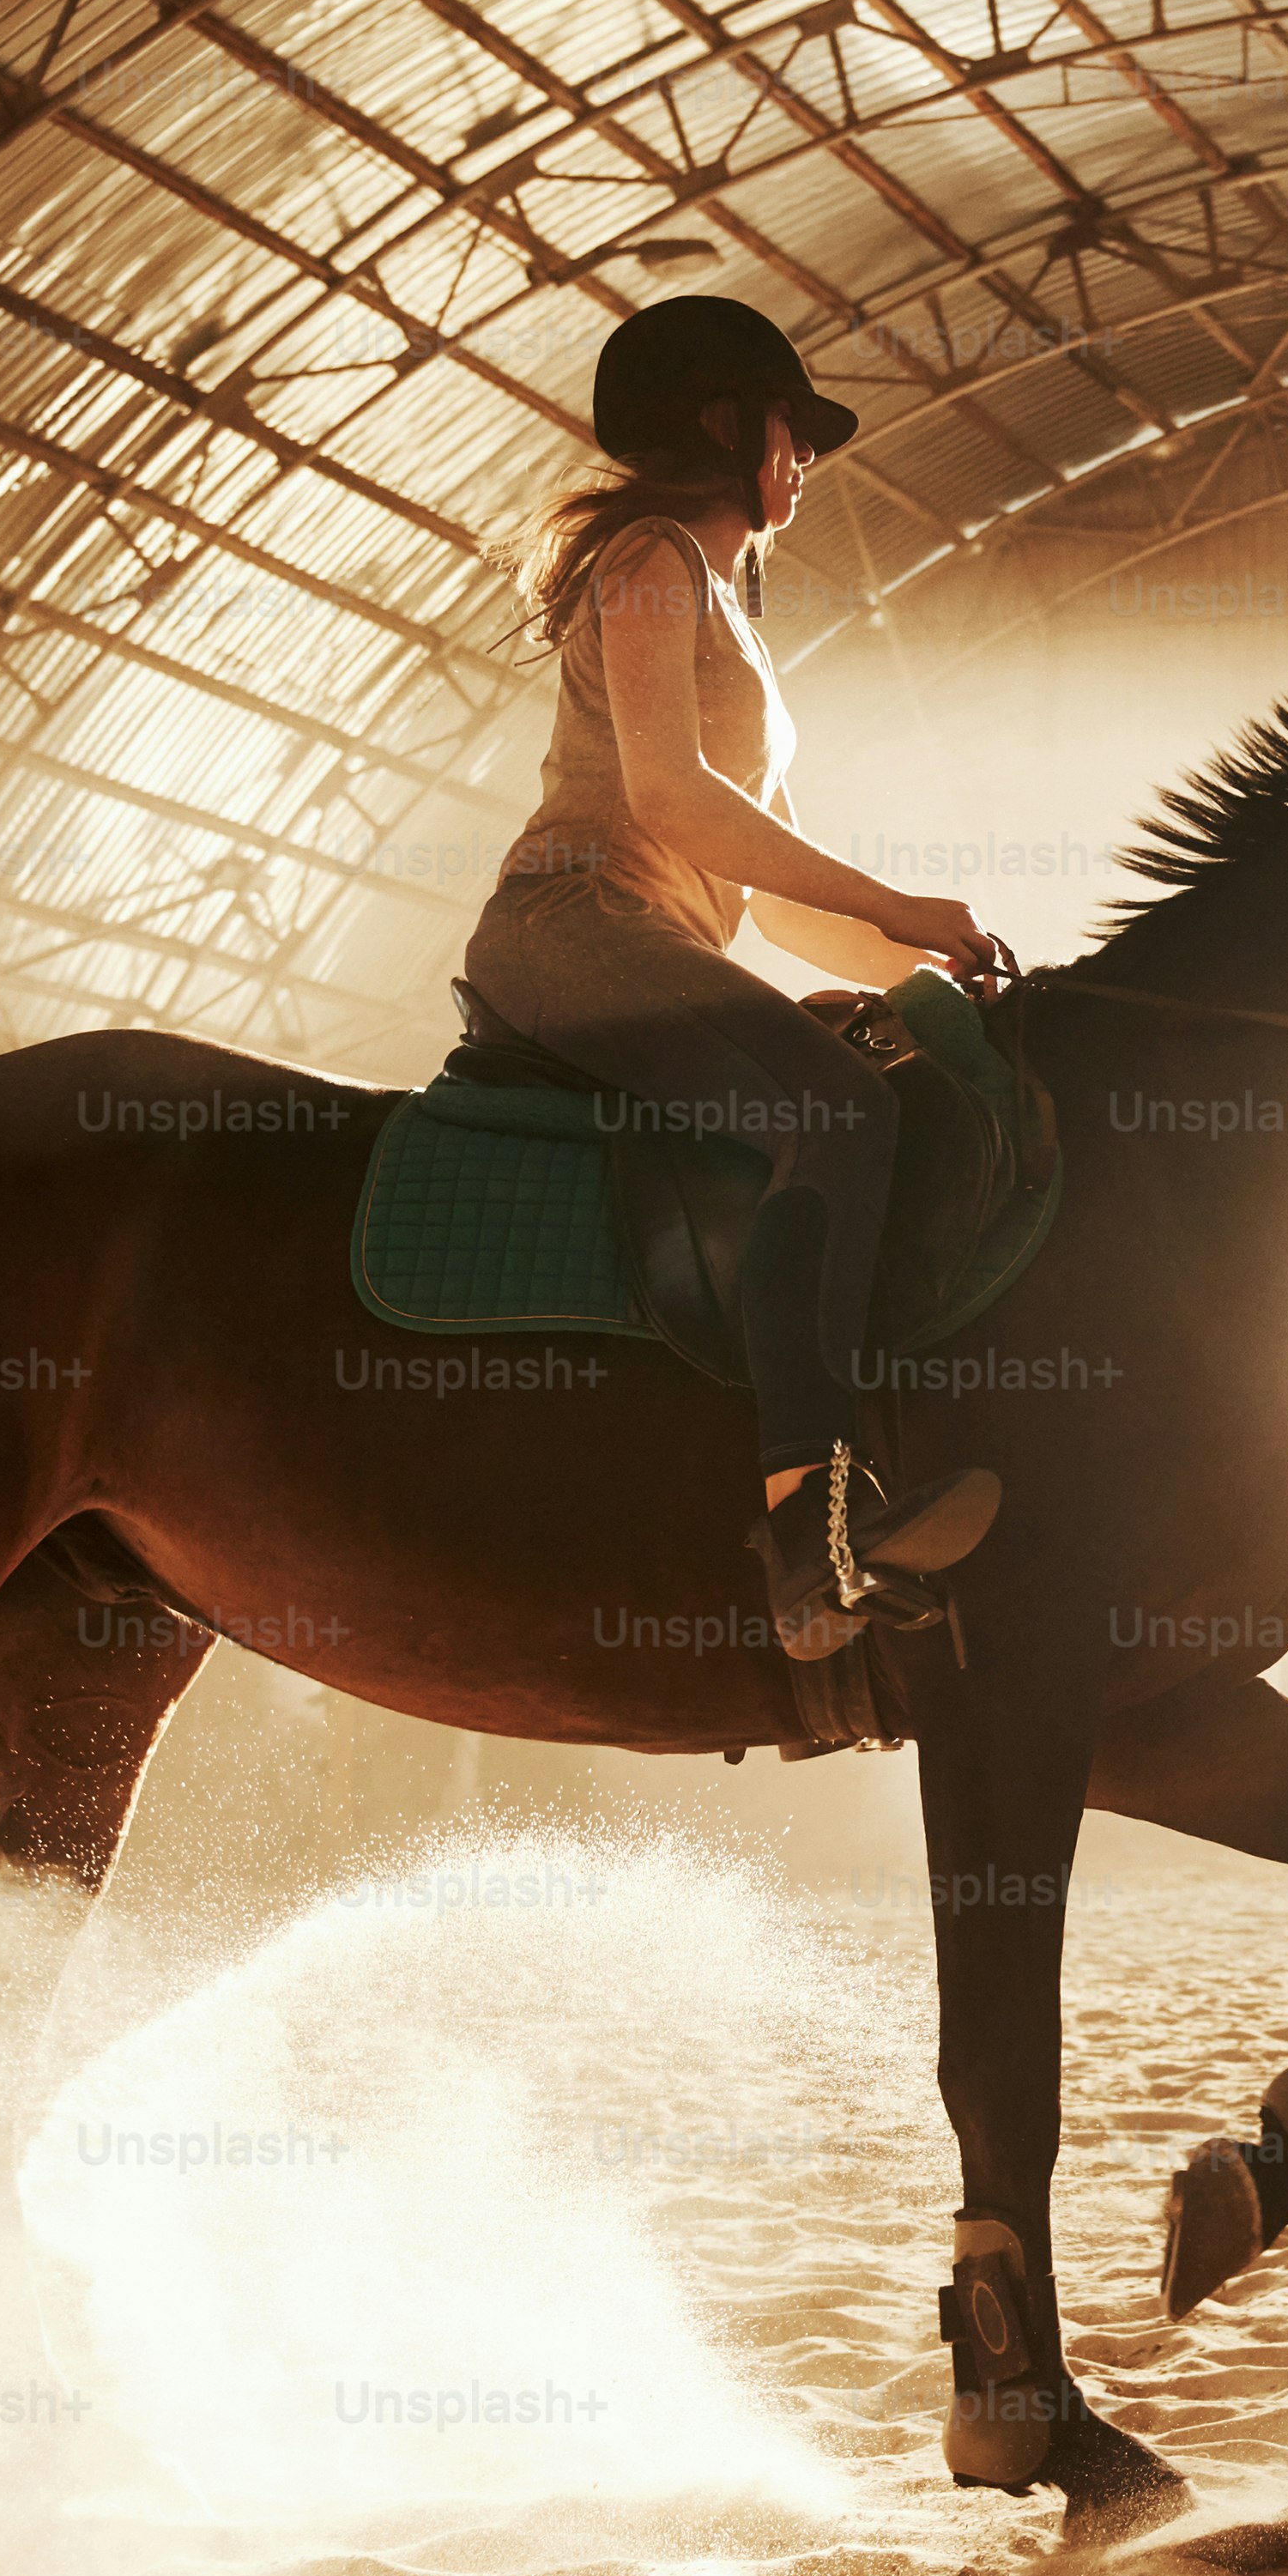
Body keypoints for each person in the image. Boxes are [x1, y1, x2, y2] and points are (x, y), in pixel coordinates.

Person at [465, 295, 1004, 1659]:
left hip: (648, 937)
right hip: (575, 924)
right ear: (726, 427)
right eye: (791, 427)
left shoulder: (725, 612)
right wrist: (894, 899)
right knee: (836, 1113)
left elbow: (760, 893)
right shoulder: (649, 557)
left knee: (876, 1078)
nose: (806, 457)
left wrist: (926, 968)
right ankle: (806, 1538)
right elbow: (673, 801)